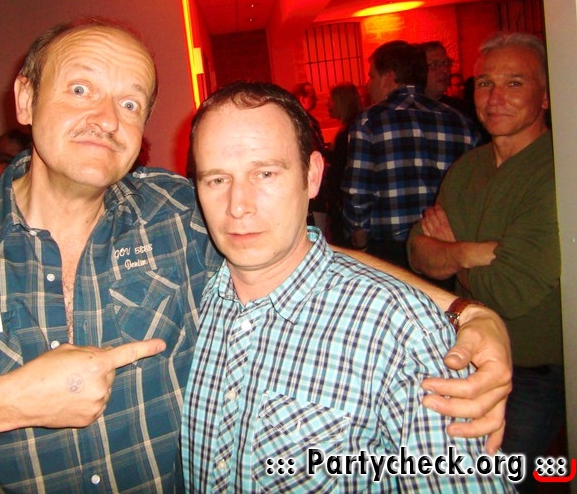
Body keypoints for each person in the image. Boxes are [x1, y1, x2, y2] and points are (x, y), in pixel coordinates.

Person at [0, 18, 511, 492]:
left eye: (131, 102)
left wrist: (461, 310)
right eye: (81, 89)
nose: (106, 117)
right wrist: (2, 403)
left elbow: (293, 250)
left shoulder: (178, 209)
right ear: (25, 100)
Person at [182, 81, 515, 492]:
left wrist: (469, 310)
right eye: (216, 179)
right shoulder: (188, 299)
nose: (238, 206)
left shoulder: (403, 332)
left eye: (265, 173)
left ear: (312, 175)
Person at [408, 32, 563, 494]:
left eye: (514, 83)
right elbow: (417, 253)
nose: (495, 97)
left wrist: (451, 251)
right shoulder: (468, 167)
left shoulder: (559, 168)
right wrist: (474, 252)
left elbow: (511, 290)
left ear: (545, 95)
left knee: (497, 483)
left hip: (533, 369)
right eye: (484, 83)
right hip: (464, 356)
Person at [342, 40, 479, 269]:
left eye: (372, 76)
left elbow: (358, 192)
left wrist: (359, 240)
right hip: (446, 244)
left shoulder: (369, 121)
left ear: (389, 76)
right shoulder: (461, 122)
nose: (368, 85)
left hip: (390, 247)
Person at [324, 82, 361, 246]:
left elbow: (341, 170)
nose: (327, 105)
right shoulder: (350, 128)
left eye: (331, 100)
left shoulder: (348, 132)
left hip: (344, 206)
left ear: (341, 103)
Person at [290, 82, 327, 228]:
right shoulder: (301, 122)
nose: (316, 100)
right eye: (312, 97)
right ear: (302, 98)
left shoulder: (309, 120)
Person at [419, 41, 475, 118]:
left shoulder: (464, 111)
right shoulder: (409, 110)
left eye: (446, 63)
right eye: (434, 65)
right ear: (419, 69)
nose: (444, 70)